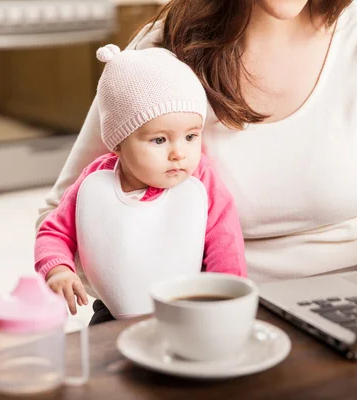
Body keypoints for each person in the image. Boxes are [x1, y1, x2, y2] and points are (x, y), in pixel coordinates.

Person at [36, 0, 357, 285]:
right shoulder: (164, 50)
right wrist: (142, 292)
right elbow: (65, 209)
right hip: (205, 305)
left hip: (353, 296)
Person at [35, 44, 247, 324]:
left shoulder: (201, 180)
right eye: (159, 140)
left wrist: (225, 300)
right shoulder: (96, 183)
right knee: (104, 353)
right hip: (115, 308)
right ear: (119, 142)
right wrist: (58, 269)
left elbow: (225, 241)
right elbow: (54, 231)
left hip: (190, 304)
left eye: (191, 137)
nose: (178, 153)